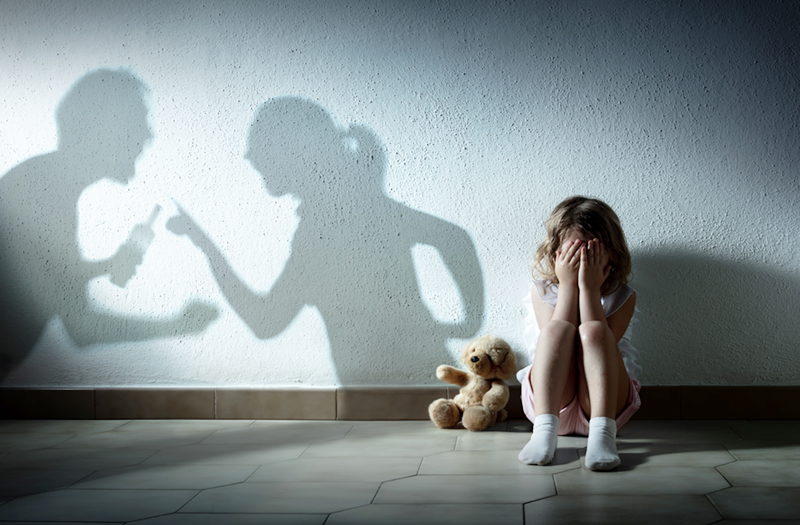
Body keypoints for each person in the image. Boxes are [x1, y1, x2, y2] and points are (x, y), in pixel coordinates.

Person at [167, 97, 484, 385]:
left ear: (292, 151)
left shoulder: (326, 228)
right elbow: (453, 237)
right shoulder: (355, 208)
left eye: (260, 145)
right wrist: (468, 322)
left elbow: (266, 322)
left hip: (390, 394)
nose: (249, 155)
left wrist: (205, 245)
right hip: (415, 382)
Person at [0, 69, 216, 379]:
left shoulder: (48, 186)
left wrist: (105, 266)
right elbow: (80, 326)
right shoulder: (39, 189)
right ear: (99, 130)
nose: (147, 135)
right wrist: (179, 325)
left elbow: (65, 304)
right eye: (134, 124)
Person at [517, 196, 640, 471]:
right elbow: (559, 336)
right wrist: (569, 285)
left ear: (611, 253)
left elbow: (601, 341)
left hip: (603, 406)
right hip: (550, 405)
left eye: (591, 251)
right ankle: (543, 433)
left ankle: (602, 436)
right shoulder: (543, 291)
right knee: (557, 330)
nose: (583, 260)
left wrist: (590, 289)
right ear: (556, 253)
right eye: (574, 252)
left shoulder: (623, 296)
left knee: (596, 331)